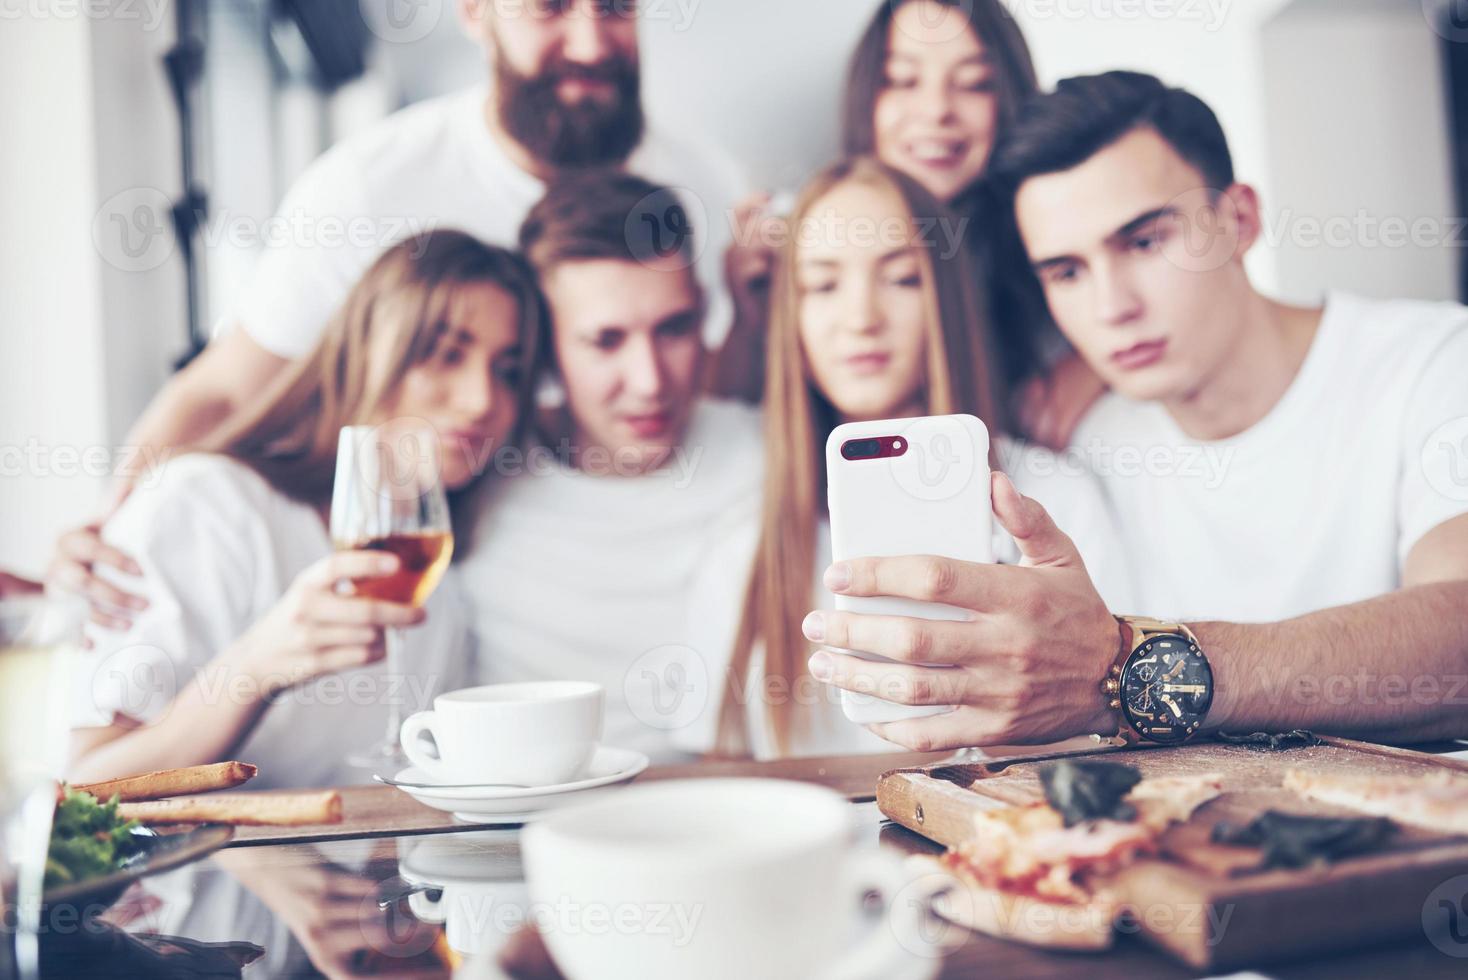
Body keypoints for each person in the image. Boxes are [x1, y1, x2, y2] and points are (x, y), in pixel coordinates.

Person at [803, 72, 1468, 751]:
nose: (1111, 308)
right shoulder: (1074, 439)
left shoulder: (1436, 362)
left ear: (1238, 220)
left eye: (1145, 241)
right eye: (1067, 272)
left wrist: (1129, 664)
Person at [50, 0, 744, 616]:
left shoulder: (703, 183)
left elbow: (715, 392)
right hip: (434, 576)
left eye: (617, 7)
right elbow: (227, 388)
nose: (591, 42)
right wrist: (114, 530)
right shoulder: (367, 189)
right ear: (476, 13)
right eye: (551, 7)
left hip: (620, 577)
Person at [681, 157, 1132, 759]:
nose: (861, 319)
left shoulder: (1055, 499)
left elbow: (1127, 711)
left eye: (900, 278)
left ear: (944, 299)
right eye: (822, 285)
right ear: (791, 318)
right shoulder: (743, 546)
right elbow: (716, 775)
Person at [66, 231, 546, 787]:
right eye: (446, 355)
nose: (483, 400)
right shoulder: (206, 505)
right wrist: (254, 670)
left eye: (508, 370)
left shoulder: (439, 563)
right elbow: (81, 787)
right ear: (365, 352)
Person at [460, 172, 764, 760]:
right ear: (547, 347)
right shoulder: (480, 468)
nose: (651, 382)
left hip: (713, 812)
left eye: (674, 329)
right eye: (605, 340)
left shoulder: (767, 453)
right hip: (511, 822)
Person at [721, 0, 1102, 446]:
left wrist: (1094, 366)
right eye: (903, 80)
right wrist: (749, 322)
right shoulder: (804, 229)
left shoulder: (1054, 235)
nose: (936, 110)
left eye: (974, 84)